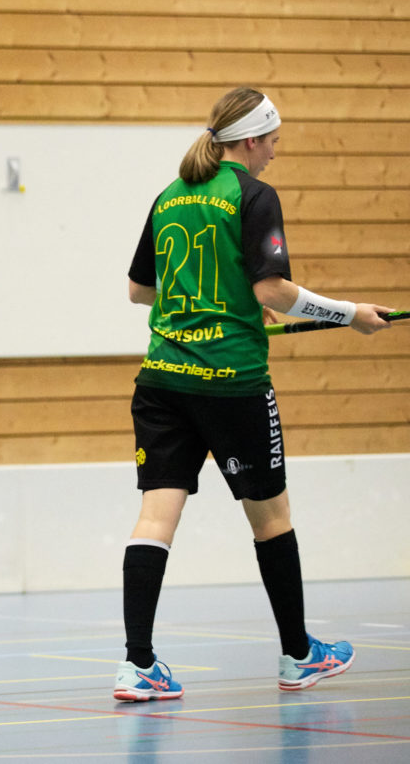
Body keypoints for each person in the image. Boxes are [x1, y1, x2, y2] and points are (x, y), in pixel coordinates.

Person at [116, 86, 394, 702]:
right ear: (249, 140)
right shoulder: (252, 195)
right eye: (271, 142)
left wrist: (214, 301)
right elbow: (272, 292)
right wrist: (351, 314)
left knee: (155, 518)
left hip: (162, 381)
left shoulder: (169, 196)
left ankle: (138, 665)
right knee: (272, 519)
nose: (273, 154)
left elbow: (140, 291)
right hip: (232, 383)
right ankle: (298, 655)